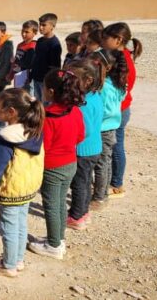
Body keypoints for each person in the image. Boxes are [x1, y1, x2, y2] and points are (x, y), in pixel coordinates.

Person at [0, 88, 44, 277]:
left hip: (10, 190)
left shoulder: (6, 138)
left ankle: (8, 265)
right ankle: (18, 259)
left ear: (11, 112)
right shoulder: (34, 129)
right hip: (27, 187)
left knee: (9, 228)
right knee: (21, 223)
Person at [28, 69, 85, 260]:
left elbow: (43, 145)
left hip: (52, 167)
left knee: (51, 205)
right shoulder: (75, 110)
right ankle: (58, 238)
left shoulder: (49, 117)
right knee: (60, 203)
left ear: (51, 91)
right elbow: (80, 136)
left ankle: (53, 245)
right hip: (70, 163)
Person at [64, 56, 105, 230]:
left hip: (82, 150)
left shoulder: (84, 103)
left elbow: (84, 129)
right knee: (86, 181)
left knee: (79, 183)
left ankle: (76, 216)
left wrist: (69, 140)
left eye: (72, 79)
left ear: (87, 80)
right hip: (93, 147)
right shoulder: (95, 95)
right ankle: (84, 211)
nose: (68, 82)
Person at [103, 22, 142, 199]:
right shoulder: (117, 56)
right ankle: (109, 178)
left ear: (118, 40)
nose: (103, 41)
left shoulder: (123, 60)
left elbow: (125, 88)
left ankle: (117, 184)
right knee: (111, 146)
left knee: (116, 146)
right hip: (114, 109)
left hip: (118, 110)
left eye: (106, 38)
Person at [90, 50, 128, 210]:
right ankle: (102, 192)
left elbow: (105, 110)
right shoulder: (117, 82)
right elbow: (121, 100)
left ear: (108, 66)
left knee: (101, 163)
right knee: (105, 162)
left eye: (96, 64)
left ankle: (99, 197)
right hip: (110, 128)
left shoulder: (104, 86)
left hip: (102, 129)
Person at [27, 13, 63, 102]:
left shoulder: (55, 44)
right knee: (38, 102)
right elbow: (36, 59)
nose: (40, 27)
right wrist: (31, 74)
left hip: (46, 82)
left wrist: (49, 82)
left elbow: (55, 67)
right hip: (36, 79)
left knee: (46, 104)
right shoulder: (40, 41)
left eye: (44, 25)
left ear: (52, 26)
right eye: (40, 25)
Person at [13, 20, 37, 89]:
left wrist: (17, 61)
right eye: (22, 31)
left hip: (28, 78)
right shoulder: (20, 45)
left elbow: (29, 64)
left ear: (34, 33)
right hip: (18, 76)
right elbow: (16, 60)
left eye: (27, 32)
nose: (23, 34)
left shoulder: (34, 46)